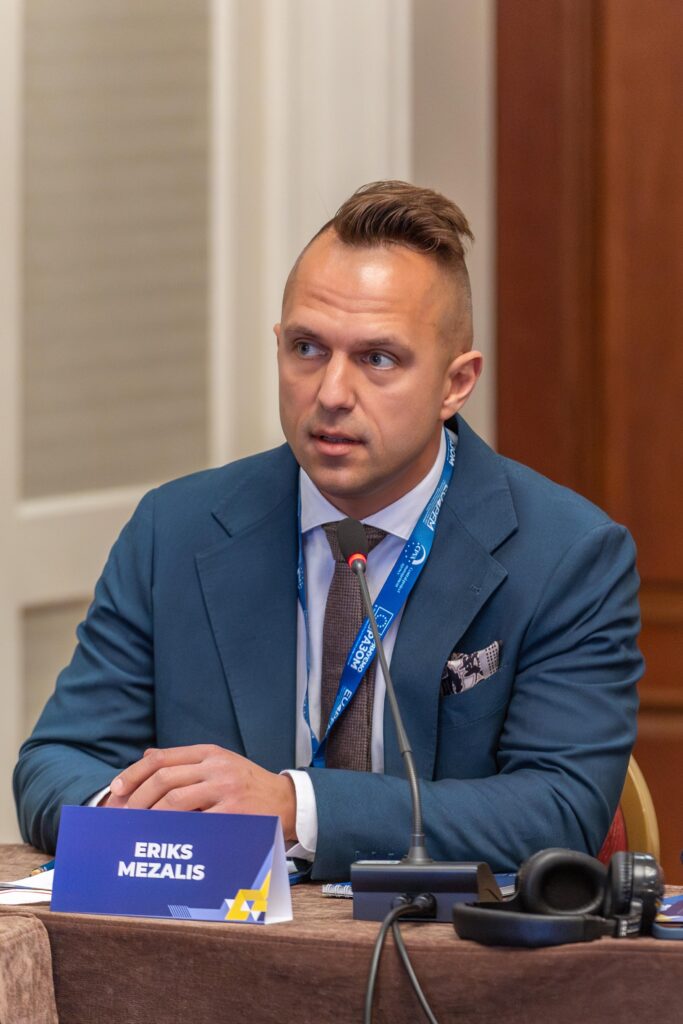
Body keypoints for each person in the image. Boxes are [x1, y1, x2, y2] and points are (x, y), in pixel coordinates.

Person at [14, 181, 642, 880]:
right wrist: (148, 825)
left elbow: (558, 809)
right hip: (213, 932)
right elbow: (57, 761)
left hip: (438, 943)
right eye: (307, 348)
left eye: (378, 359)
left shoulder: (565, 555)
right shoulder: (176, 531)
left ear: (455, 384)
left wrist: (296, 809)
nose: (332, 393)